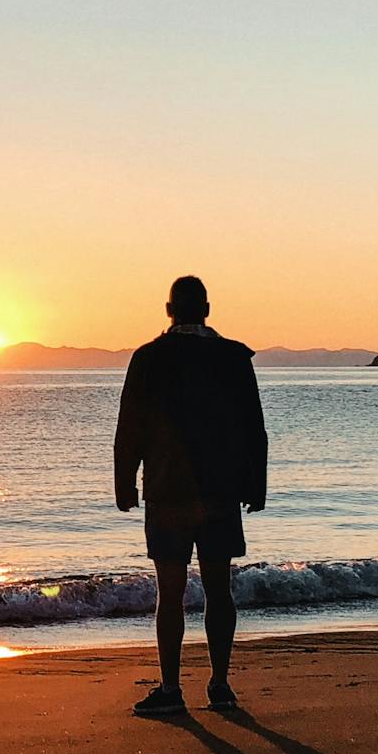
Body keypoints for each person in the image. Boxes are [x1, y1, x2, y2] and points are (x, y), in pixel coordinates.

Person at [114, 275, 267, 715]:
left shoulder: (149, 358)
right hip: (220, 489)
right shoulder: (234, 358)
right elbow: (253, 429)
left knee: (171, 592)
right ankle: (219, 684)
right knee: (219, 589)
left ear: (169, 310)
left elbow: (130, 428)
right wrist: (255, 485)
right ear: (207, 309)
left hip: (167, 489)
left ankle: (171, 688)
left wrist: (125, 483)